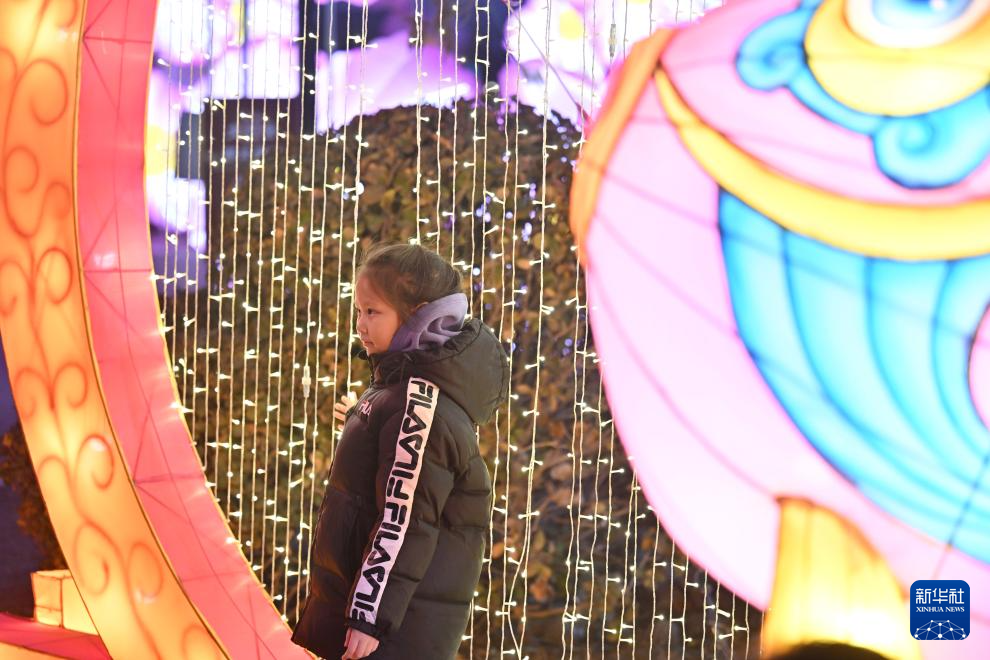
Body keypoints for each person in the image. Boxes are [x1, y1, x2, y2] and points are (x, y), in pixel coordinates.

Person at [292, 243, 509, 660]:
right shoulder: (400, 392)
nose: (360, 325)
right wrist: (364, 425)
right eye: (358, 311)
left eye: (372, 312)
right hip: (383, 619)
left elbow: (404, 520)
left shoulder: (419, 406)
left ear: (418, 316)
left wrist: (368, 617)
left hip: (393, 631)